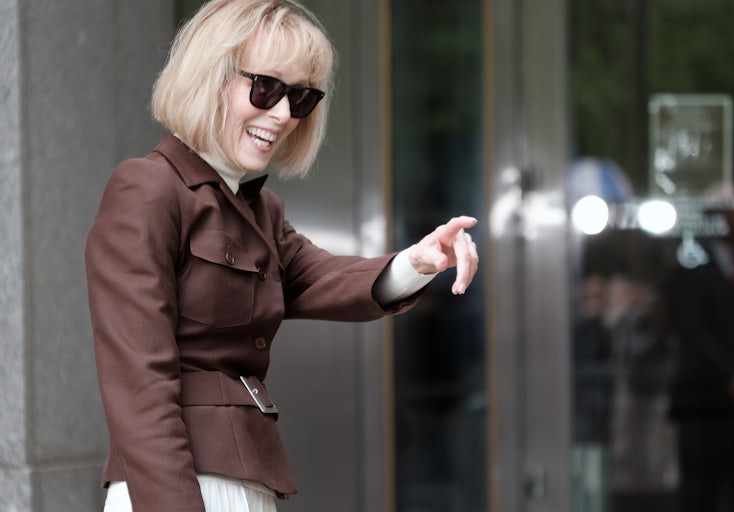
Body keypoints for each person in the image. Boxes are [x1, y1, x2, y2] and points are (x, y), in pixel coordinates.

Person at [83, 1, 479, 511]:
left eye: (301, 97)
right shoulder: (147, 188)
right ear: (210, 76)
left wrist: (419, 260)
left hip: (247, 479)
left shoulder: (261, 210)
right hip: (175, 488)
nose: (284, 114)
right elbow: (139, 388)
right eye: (266, 88)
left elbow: (323, 278)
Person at [665, 185, 734, 512]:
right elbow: (691, 330)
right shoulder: (692, 266)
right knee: (701, 494)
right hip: (704, 405)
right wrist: (730, 376)